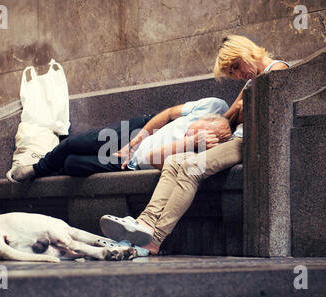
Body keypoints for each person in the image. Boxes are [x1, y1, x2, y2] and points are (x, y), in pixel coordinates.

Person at [99, 35, 290, 255]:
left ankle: (155, 239)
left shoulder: (277, 71)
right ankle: (144, 223)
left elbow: (272, 123)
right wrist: (214, 122)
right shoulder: (251, 82)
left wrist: (246, 108)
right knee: (174, 161)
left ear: (246, 52)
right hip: (232, 140)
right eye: (232, 73)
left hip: (247, 143)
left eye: (236, 67)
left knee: (192, 168)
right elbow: (226, 120)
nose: (238, 75)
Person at [7, 97, 232, 183]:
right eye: (194, 129)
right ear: (208, 119)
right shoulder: (215, 107)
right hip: (138, 132)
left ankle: (53, 167)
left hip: (134, 163)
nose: (190, 133)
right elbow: (168, 114)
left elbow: (154, 159)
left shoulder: (199, 151)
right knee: (75, 143)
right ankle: (37, 168)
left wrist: (191, 143)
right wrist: (133, 143)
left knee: (72, 164)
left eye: (197, 138)